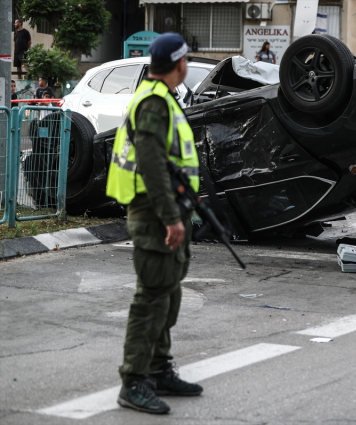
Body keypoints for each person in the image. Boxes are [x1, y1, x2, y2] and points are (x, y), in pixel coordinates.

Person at [106, 33, 203, 415]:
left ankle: (159, 369)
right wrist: (169, 218)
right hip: (153, 214)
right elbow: (150, 165)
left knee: (167, 292)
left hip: (167, 211)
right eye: (187, 60)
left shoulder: (164, 99)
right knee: (151, 298)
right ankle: (134, 381)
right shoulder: (153, 103)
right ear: (179, 64)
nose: (188, 66)